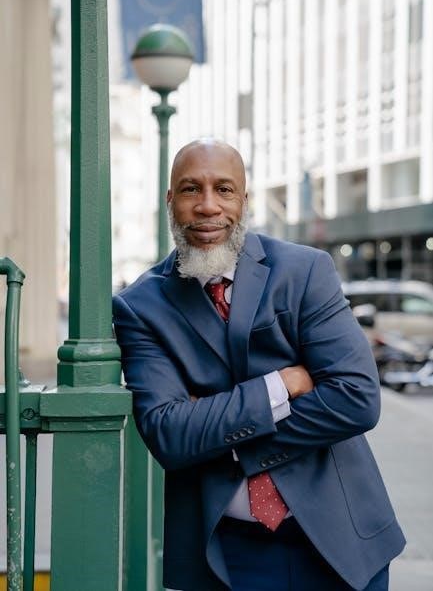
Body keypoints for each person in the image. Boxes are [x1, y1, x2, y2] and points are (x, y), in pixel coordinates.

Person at [113, 139, 405, 591]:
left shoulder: (305, 271)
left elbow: (357, 399)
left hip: (342, 542)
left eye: (223, 189)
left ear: (244, 200)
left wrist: (220, 432)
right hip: (226, 557)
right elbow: (170, 434)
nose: (208, 206)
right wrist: (282, 385)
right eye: (191, 189)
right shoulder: (140, 306)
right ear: (170, 200)